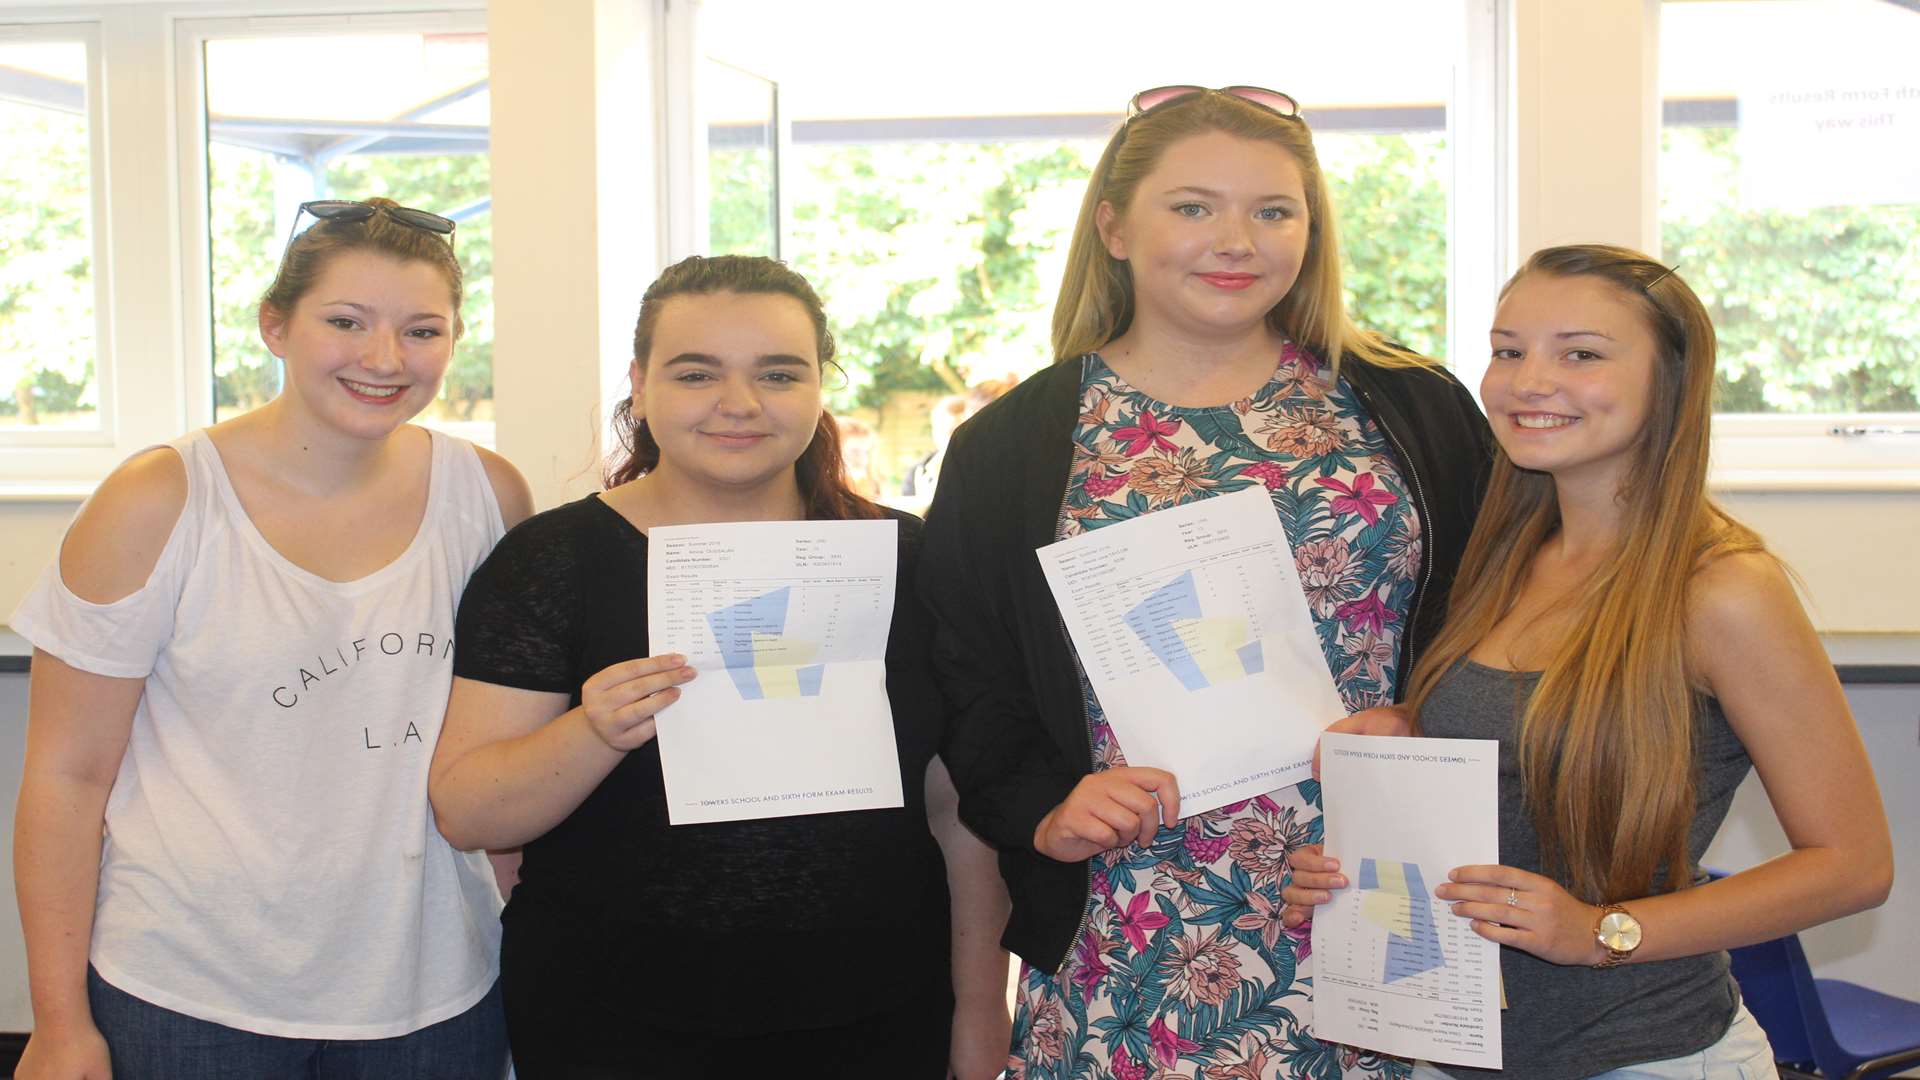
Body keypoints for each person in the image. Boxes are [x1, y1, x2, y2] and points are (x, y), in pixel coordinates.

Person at [918, 86, 1493, 1079]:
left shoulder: (1412, 405)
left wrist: (1428, 713)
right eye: (1193, 207)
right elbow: (967, 676)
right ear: (1114, 227)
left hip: (1376, 896)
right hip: (1135, 915)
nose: (1237, 241)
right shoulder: (1011, 447)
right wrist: (1046, 808)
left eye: (1274, 211)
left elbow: (1508, 611)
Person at [1280, 244, 1894, 1078]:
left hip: (1645, 1057)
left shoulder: (1721, 590)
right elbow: (1515, 785)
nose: (1529, 381)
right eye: (1508, 350)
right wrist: (1381, 810)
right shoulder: (1505, 559)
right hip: (1457, 1052)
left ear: (1668, 382)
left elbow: (1853, 868)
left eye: (1581, 354)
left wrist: (1602, 931)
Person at [427, 253, 1012, 1079]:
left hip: (877, 1013)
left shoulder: (905, 561)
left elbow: (958, 811)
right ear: (639, 381)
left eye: (778, 373)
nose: (739, 404)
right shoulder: (551, 561)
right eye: (696, 373)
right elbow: (469, 813)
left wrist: (982, 1015)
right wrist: (594, 731)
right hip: (611, 1023)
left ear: (820, 385)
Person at [9, 197, 531, 1080]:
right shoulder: (157, 500)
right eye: (345, 322)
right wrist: (60, 1025)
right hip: (189, 996)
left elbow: (503, 753)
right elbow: (67, 776)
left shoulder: (488, 497)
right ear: (275, 326)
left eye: (421, 330)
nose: (383, 358)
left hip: (436, 990)